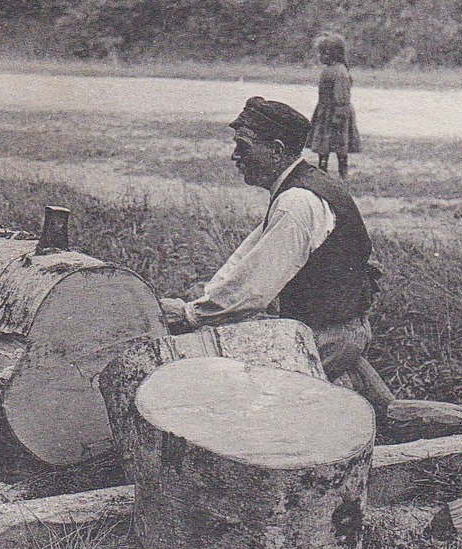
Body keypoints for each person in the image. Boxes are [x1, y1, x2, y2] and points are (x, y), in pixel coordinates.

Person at [159, 97, 388, 402]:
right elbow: (248, 257)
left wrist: (191, 315)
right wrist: (205, 300)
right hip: (336, 327)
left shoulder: (296, 202)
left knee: (237, 394)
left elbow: (254, 289)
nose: (234, 156)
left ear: (277, 150)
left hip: (328, 337)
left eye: (243, 146)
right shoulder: (299, 186)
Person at [309, 33, 361, 179]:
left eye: (324, 53)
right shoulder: (328, 70)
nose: (321, 57)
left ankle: (342, 173)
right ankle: (322, 171)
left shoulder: (340, 72)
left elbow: (342, 96)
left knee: (340, 145)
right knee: (323, 145)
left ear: (334, 54)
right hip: (325, 112)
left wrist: (338, 115)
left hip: (337, 113)